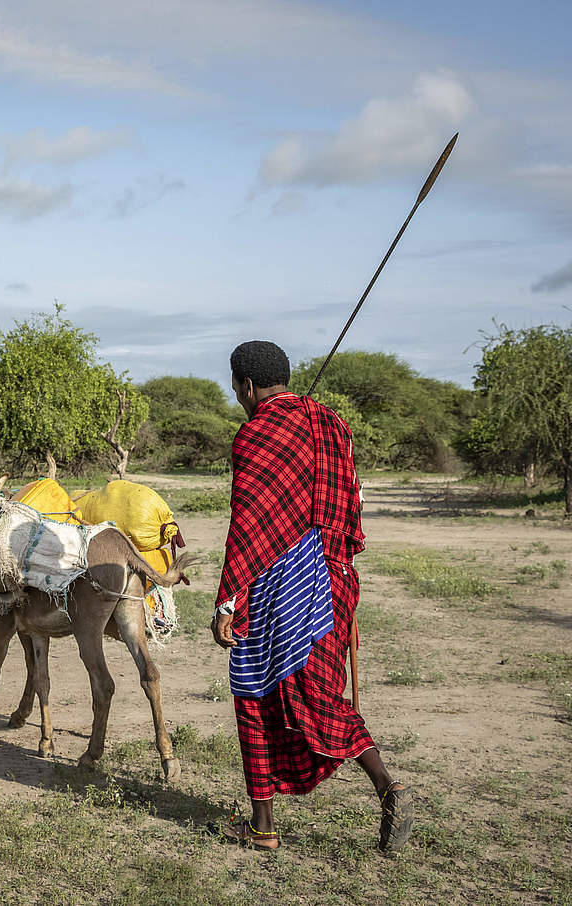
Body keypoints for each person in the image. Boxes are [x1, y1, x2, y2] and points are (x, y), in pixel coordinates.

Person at [212, 340, 413, 853]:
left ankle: (381, 790)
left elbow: (251, 525)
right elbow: (351, 507)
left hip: (284, 584)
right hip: (335, 577)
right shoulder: (332, 423)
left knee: (264, 693)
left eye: (237, 388)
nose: (239, 396)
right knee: (314, 693)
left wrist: (228, 600)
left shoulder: (257, 434)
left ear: (247, 385)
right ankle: (268, 825)